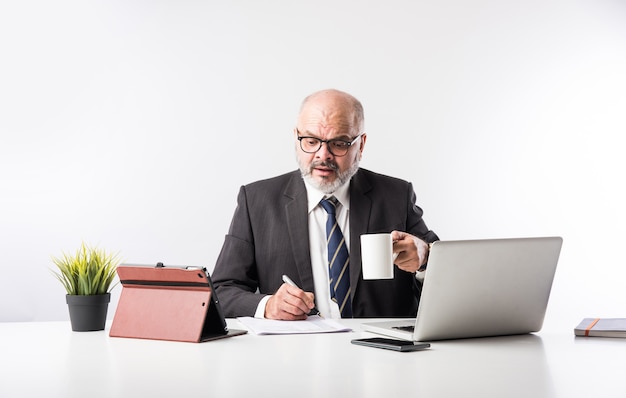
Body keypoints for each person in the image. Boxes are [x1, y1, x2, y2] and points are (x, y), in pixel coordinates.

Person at [211, 88, 438, 320]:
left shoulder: (396, 195)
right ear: (296, 137)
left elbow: (450, 273)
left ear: (361, 145)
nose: (323, 155)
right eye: (311, 141)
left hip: (381, 351)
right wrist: (267, 305)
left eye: (339, 143)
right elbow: (222, 291)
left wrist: (425, 255)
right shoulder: (257, 200)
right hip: (295, 352)